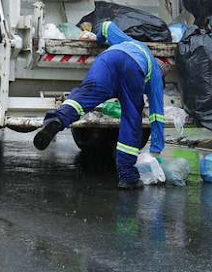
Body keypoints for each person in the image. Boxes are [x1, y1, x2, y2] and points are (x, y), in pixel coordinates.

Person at [33, 21, 165, 189]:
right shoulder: (156, 75)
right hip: (132, 69)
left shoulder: (131, 42)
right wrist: (156, 150)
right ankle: (127, 177)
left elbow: (107, 26)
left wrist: (99, 39)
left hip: (107, 61)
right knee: (132, 119)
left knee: (84, 97)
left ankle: (57, 120)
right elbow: (157, 115)